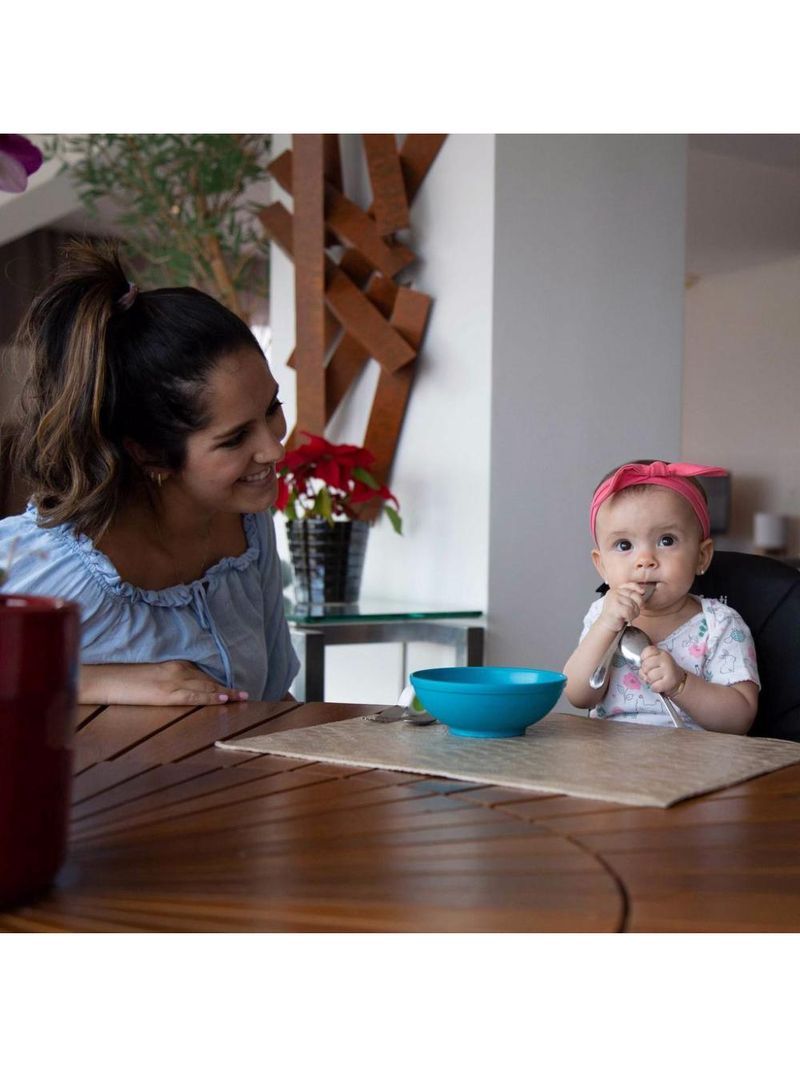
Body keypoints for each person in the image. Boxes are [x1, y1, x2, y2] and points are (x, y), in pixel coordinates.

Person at [0, 240, 299, 706]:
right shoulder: (45, 563)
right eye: (234, 438)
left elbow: (274, 697)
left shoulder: (249, 528)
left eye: (272, 408)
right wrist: (88, 681)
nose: (273, 449)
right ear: (150, 454)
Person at [563, 460, 759, 733]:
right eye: (624, 545)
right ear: (602, 566)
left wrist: (681, 685)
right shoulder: (602, 615)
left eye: (666, 540)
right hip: (608, 761)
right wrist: (607, 626)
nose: (645, 560)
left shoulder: (720, 624)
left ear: (701, 556)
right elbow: (577, 695)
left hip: (689, 764)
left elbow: (739, 719)